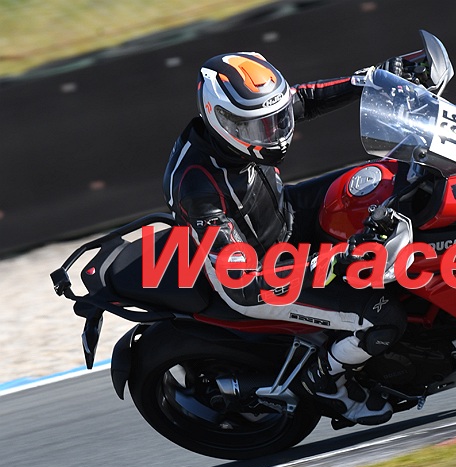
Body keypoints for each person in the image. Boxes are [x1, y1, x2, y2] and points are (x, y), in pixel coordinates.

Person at [162, 52, 415, 426]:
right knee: (385, 319)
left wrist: (370, 81)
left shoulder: (240, 123)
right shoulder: (198, 191)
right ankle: (326, 381)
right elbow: (244, 280)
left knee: (380, 179)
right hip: (261, 279)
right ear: (222, 119)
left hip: (283, 214)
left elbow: (303, 100)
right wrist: (334, 261)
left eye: (275, 121)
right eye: (261, 128)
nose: (275, 135)